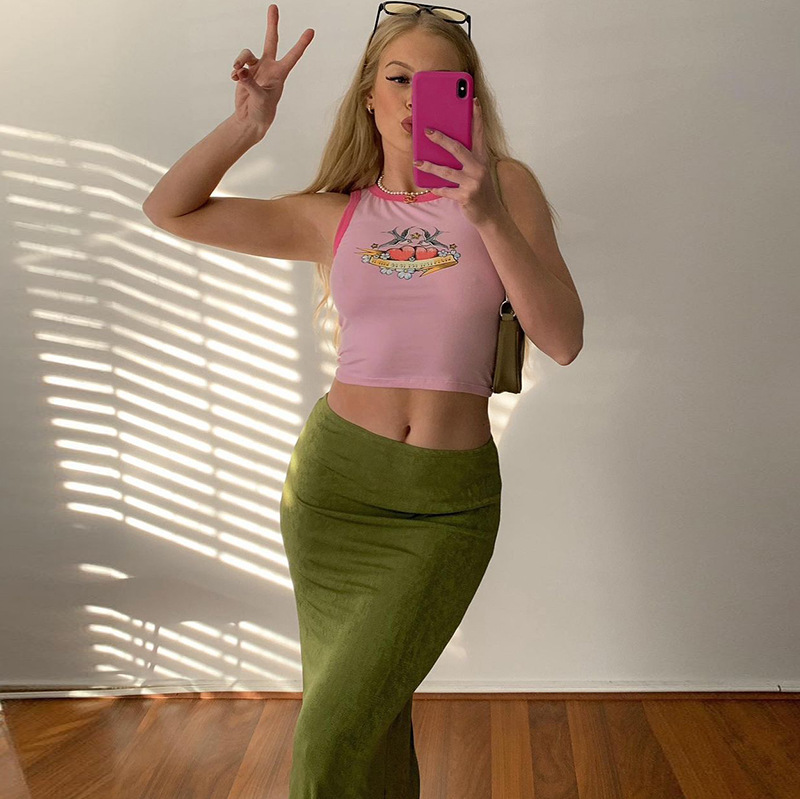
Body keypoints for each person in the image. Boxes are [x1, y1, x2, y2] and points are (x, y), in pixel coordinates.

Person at [143, 3, 583, 796]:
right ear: (369, 99)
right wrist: (247, 125)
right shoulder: (337, 215)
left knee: (335, 727)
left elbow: (563, 338)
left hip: (445, 507)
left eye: (441, 83)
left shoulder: (506, 190)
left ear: (469, 99)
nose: (416, 100)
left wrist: (487, 215)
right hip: (334, 494)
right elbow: (168, 209)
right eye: (399, 79)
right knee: (361, 722)